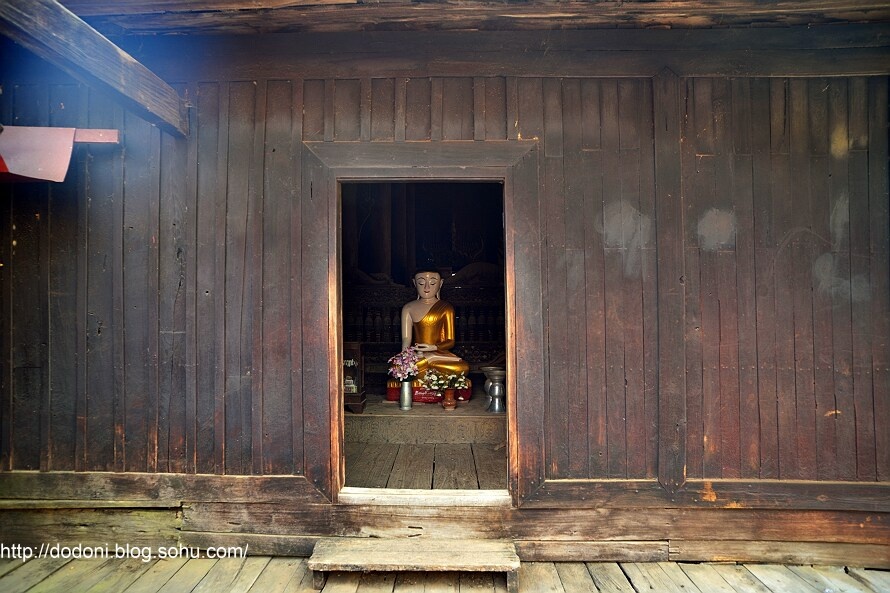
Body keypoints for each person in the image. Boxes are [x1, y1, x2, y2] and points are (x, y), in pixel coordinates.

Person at [401, 269, 469, 378]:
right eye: (421, 283)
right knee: (399, 367)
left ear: (440, 283)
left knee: (462, 368)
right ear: (414, 283)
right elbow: (406, 339)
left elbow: (450, 341)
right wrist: (405, 357)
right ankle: (426, 371)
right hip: (418, 355)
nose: (426, 287)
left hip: (439, 355)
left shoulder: (446, 308)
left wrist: (432, 347)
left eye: (432, 283)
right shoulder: (408, 308)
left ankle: (423, 370)